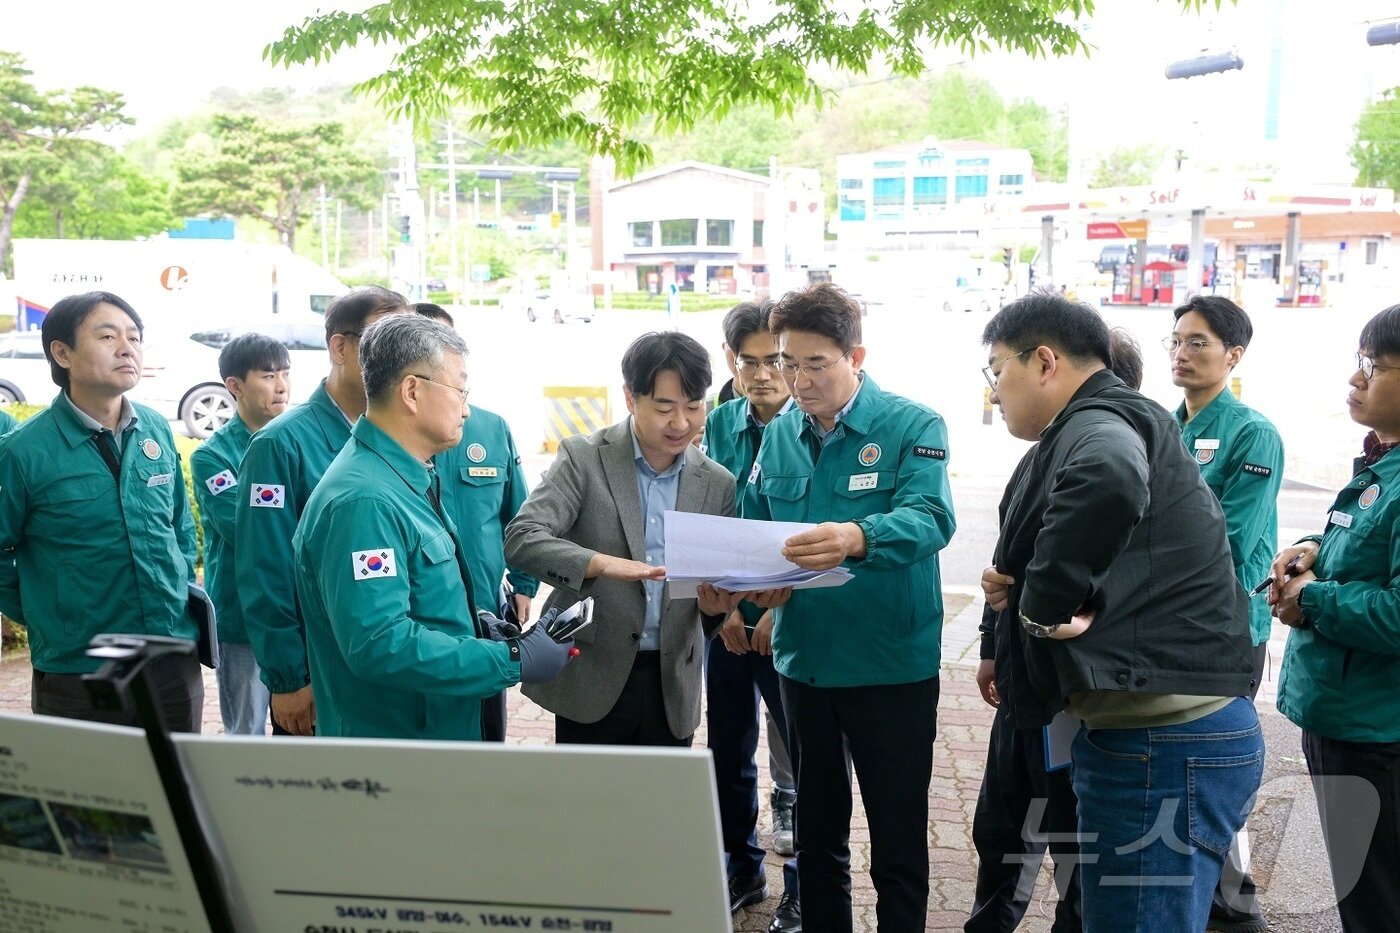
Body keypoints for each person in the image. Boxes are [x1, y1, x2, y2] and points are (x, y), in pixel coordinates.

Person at [979, 291, 1261, 932]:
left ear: (1044, 361)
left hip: (1162, 742)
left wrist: (1039, 608)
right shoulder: (1102, 421)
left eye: (997, 370)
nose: (994, 392)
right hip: (1152, 733)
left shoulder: (1099, 424)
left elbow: (1108, 477)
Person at [742, 282, 956, 933]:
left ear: (855, 356)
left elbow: (932, 517)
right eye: (788, 362)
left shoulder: (912, 425)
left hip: (890, 663)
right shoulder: (781, 433)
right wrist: (749, 587)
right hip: (805, 662)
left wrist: (857, 537)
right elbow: (756, 528)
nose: (798, 380)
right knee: (817, 835)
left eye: (815, 364)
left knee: (896, 840)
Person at [294, 314, 571, 739]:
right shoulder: (365, 501)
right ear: (412, 391)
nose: (466, 408)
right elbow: (379, 643)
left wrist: (476, 624)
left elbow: (419, 599)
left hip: (434, 733)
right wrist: (511, 659)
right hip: (396, 748)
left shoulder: (404, 477)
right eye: (460, 390)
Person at [966, 324, 1143, 933]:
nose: (996, 391)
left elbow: (1105, 589)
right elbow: (1006, 563)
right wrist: (992, 646)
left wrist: (1045, 610)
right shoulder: (1038, 458)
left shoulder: (1113, 457)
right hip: (1024, 683)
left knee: (1074, 841)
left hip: (1078, 695)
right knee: (1001, 827)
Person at [504, 331, 739, 747]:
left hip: (671, 682)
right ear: (631, 398)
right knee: (587, 790)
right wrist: (598, 563)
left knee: (661, 791)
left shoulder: (717, 484)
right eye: (664, 407)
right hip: (591, 676)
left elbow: (710, 591)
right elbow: (522, 537)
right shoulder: (584, 458)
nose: (681, 423)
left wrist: (715, 608)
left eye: (693, 406)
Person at [0, 292, 202, 731]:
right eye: (108, 336)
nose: (127, 348)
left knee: (179, 774)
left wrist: (178, 580)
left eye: (134, 337)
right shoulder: (23, 452)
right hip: (78, 671)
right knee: (88, 778)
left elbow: (179, 525)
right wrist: (47, 614)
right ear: (62, 353)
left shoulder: (154, 428)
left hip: (171, 658)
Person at [1269, 304, 1400, 933]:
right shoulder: (1383, 463)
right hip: (1347, 718)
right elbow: (1366, 548)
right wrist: (1314, 548)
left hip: (1376, 734)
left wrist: (1313, 598)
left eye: (1373, 366)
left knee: (1377, 901)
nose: (1356, 378)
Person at [235, 286, 410, 735]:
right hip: (320, 676)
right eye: (385, 337)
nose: (402, 354)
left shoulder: (406, 437)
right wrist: (289, 678)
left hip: (392, 670)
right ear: (339, 347)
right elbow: (265, 569)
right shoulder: (280, 444)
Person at [1167, 295, 1282, 933]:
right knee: (1181, 766)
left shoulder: (1252, 433)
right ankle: (1206, 900)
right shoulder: (1163, 426)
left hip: (1227, 627)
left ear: (1233, 355)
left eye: (1198, 342)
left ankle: (1236, 910)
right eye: (1177, 341)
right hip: (1170, 627)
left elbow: (1232, 540)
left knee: (1214, 771)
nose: (1181, 353)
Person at [705, 299, 799, 916]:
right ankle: (742, 869)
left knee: (806, 757)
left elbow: (812, 530)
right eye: (749, 362)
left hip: (790, 624)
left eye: (775, 361)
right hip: (729, 623)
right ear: (730, 361)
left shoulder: (813, 426)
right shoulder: (719, 424)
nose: (763, 374)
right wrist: (727, 614)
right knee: (728, 750)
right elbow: (710, 522)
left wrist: (776, 613)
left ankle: (804, 888)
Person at [413, 302, 539, 741]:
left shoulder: (490, 428)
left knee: (487, 735)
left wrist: (524, 584)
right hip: (423, 622)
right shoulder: (395, 441)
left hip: (485, 611)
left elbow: (518, 514)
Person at [189, 334, 291, 735]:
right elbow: (248, 531)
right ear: (235, 386)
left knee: (303, 731)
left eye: (285, 374)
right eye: (267, 375)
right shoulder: (213, 457)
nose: (281, 385)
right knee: (246, 734)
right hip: (243, 619)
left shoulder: (296, 441)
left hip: (295, 615)